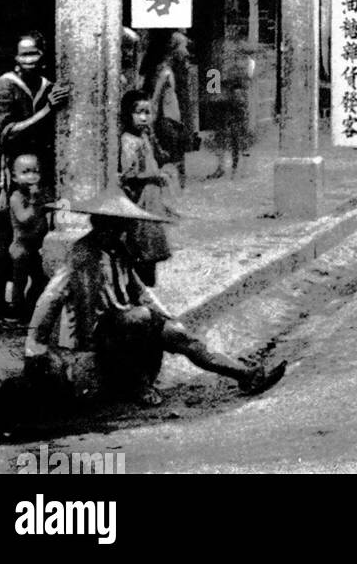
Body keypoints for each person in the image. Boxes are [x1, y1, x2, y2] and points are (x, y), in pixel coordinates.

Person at [24, 189, 287, 406]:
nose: (119, 232)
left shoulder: (120, 251)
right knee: (140, 318)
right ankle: (137, 386)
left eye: (121, 228)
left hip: (130, 322)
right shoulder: (81, 255)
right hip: (98, 332)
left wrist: (168, 318)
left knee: (181, 335)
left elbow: (141, 292)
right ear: (100, 225)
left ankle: (245, 374)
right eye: (114, 227)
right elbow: (51, 296)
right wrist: (35, 341)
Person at [0, 32, 69, 338]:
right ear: (15, 59)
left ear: (42, 56)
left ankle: (25, 309)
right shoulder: (3, 87)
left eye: (34, 54)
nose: (29, 60)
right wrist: (47, 110)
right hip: (0, 175)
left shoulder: (48, 87)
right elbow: (5, 134)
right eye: (23, 55)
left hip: (34, 173)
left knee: (34, 245)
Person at [118, 91, 175, 287]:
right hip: (140, 200)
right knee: (141, 249)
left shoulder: (144, 136)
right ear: (128, 114)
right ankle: (140, 294)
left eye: (147, 112)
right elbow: (129, 175)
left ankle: (148, 295)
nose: (143, 117)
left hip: (151, 201)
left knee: (150, 250)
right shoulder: (128, 141)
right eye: (138, 112)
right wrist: (155, 177)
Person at [140, 30, 190, 174]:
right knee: (171, 162)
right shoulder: (164, 71)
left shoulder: (173, 70)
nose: (186, 52)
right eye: (183, 47)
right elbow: (155, 100)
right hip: (167, 122)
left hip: (173, 121)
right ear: (173, 48)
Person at [7, 152, 48, 323]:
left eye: (35, 171)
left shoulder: (40, 194)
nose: (32, 176)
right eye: (26, 172)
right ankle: (17, 308)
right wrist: (33, 200)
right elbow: (24, 218)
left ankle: (30, 308)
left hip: (36, 247)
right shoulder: (17, 197)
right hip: (21, 247)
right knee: (20, 281)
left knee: (40, 279)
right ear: (15, 177)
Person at [207, 39, 255, 181]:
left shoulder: (248, 64)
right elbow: (213, 83)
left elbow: (244, 82)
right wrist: (215, 95)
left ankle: (237, 169)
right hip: (223, 102)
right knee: (221, 135)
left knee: (237, 136)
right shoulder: (219, 64)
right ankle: (223, 167)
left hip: (237, 103)